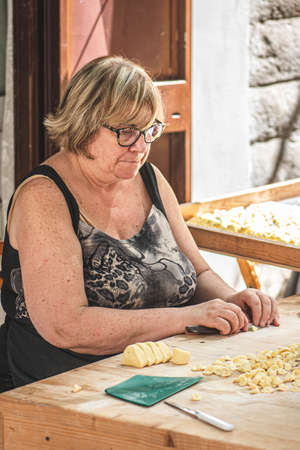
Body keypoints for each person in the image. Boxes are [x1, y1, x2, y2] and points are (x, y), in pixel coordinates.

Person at [0, 55, 279, 392]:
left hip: (157, 372)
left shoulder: (147, 177)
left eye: (150, 131)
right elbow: (66, 326)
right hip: (63, 387)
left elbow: (199, 273)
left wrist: (232, 301)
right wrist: (188, 318)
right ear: (83, 123)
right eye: (126, 132)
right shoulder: (43, 197)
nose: (141, 147)